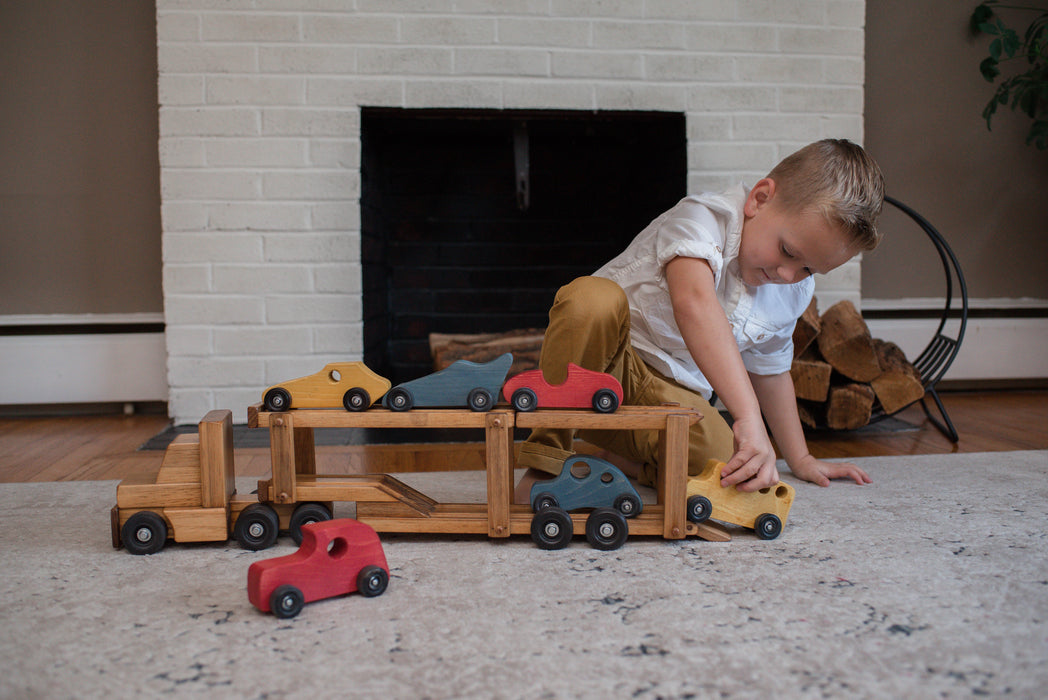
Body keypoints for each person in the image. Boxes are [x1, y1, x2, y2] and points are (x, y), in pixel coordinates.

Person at [514, 139, 884, 504]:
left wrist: (800, 458)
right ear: (759, 199)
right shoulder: (703, 218)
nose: (788, 274)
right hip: (607, 364)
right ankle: (546, 461)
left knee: (731, 470)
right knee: (590, 299)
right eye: (787, 251)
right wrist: (748, 416)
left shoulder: (790, 292)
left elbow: (771, 372)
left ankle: (624, 460)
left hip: (671, 399)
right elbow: (694, 304)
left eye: (808, 269)